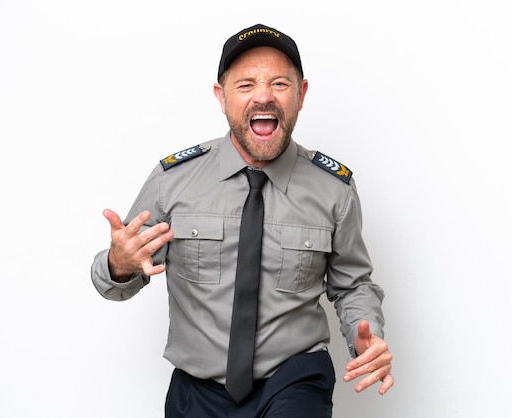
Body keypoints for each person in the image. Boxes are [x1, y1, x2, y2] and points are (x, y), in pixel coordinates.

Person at [91, 23, 393, 417]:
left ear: (301, 95)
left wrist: (365, 336)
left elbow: (352, 285)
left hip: (295, 377)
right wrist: (118, 265)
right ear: (222, 97)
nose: (264, 96)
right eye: (246, 85)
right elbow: (113, 283)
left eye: (280, 84)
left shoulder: (333, 188)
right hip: (197, 387)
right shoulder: (174, 182)